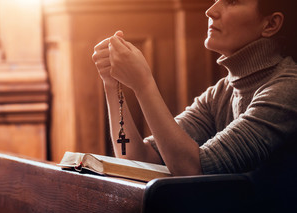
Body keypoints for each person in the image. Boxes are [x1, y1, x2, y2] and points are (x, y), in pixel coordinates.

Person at [92, 0, 297, 176]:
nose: (210, 11)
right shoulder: (221, 91)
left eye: (232, 1)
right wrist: (112, 84)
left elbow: (192, 169)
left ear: (271, 24)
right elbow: (137, 159)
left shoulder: (288, 88)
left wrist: (143, 85)